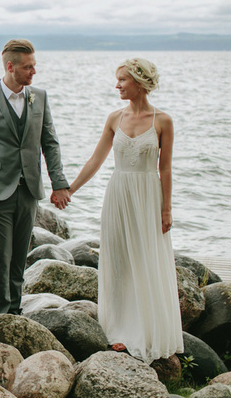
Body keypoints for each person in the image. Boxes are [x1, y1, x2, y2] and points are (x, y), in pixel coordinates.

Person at [67, 58, 184, 363]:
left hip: (148, 195)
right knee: (118, 260)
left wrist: (166, 208)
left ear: (139, 81)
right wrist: (69, 189)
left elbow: (166, 168)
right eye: (117, 80)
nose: (117, 85)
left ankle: (145, 331)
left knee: (146, 260)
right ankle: (117, 330)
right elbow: (95, 160)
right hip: (118, 193)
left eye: (122, 80)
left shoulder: (163, 121)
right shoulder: (113, 119)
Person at [0, 39, 70, 316]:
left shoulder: (39, 96)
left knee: (19, 257)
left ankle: (15, 311)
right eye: (28, 67)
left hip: (29, 189)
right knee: (0, 258)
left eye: (34, 66)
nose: (33, 71)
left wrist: (59, 183)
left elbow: (50, 143)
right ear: (10, 67)